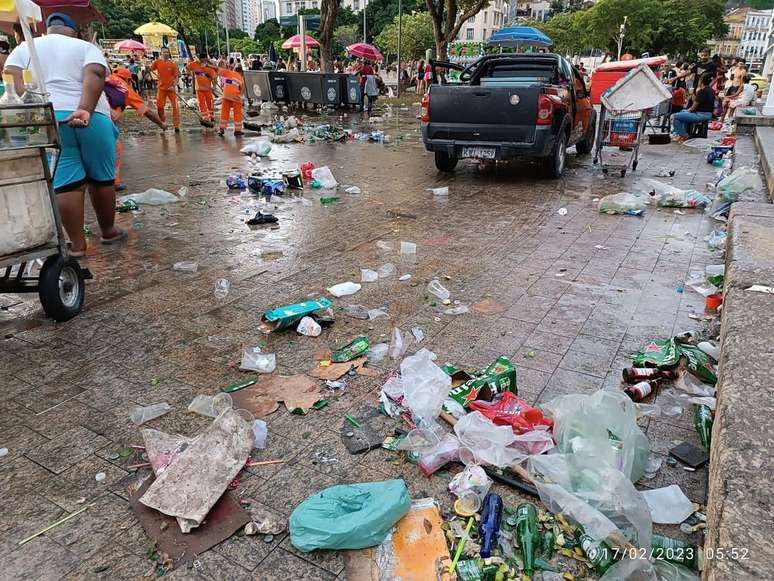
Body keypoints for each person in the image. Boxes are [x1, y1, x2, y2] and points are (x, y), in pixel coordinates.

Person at [4, 12, 124, 257]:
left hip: (50, 118)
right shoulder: (85, 47)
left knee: (67, 181)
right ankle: (108, 230)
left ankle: (78, 246)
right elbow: (96, 74)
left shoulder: (25, 48)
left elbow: (12, 78)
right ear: (74, 31)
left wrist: (36, 108)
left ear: (47, 30)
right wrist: (84, 108)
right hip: (92, 117)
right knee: (102, 178)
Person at [108, 67, 166, 189]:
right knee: (115, 147)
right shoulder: (126, 89)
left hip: (81, 114)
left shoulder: (105, 79)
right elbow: (147, 112)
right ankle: (113, 182)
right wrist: (161, 124)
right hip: (103, 121)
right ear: (128, 80)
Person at [672, 73, 715, 143]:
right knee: (682, 115)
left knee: (675, 116)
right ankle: (680, 135)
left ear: (701, 81)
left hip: (700, 114)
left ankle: (683, 135)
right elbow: (698, 101)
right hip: (708, 114)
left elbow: (693, 107)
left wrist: (687, 110)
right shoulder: (711, 90)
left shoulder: (702, 91)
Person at [151, 47, 179, 132]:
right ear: (161, 53)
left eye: (167, 52)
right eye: (164, 52)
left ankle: (176, 125)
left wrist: (173, 85)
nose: (166, 54)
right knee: (159, 106)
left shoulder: (173, 64)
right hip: (161, 88)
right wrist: (148, 68)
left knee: (175, 106)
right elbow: (151, 69)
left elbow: (176, 77)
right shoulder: (157, 62)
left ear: (169, 53)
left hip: (171, 89)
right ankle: (162, 122)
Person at [186, 53, 217, 123]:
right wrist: (189, 74)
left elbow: (214, 77)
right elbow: (187, 67)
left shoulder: (209, 67)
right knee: (201, 103)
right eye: (201, 60)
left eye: (204, 60)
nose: (203, 62)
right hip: (199, 88)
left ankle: (211, 115)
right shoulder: (194, 64)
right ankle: (205, 116)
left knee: (210, 102)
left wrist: (214, 86)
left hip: (207, 88)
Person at [218, 62, 244, 136]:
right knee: (237, 112)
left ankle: (221, 129)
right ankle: (237, 131)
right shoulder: (241, 79)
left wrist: (208, 65)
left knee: (224, 111)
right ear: (241, 72)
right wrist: (241, 100)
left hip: (226, 95)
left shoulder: (229, 73)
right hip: (236, 96)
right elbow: (241, 92)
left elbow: (218, 69)